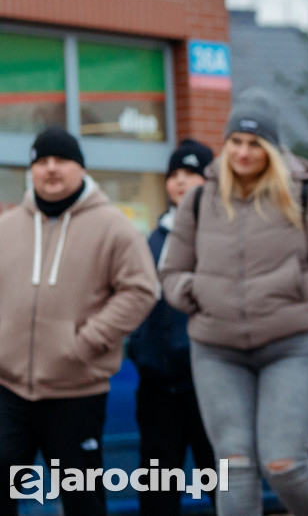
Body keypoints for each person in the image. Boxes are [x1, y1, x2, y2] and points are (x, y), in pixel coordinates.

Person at [159, 88, 308, 516]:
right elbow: (170, 272)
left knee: (284, 463)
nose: (243, 152)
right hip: (217, 350)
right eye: (236, 141)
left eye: (254, 143)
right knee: (233, 466)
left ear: (272, 149)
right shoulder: (200, 199)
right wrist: (196, 292)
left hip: (294, 345)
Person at [0, 127, 159, 516]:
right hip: (9, 389)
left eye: (60, 161)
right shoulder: (7, 227)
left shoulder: (112, 226)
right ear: (31, 170)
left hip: (76, 391)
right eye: (41, 162)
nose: (50, 169)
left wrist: (86, 342)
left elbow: (141, 290)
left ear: (81, 168)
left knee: (83, 501)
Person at [126, 138, 216, 515]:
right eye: (174, 174)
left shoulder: (221, 234)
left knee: (222, 482)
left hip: (210, 383)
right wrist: (141, 351)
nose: (180, 182)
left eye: (191, 173)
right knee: (158, 490)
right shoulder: (154, 238)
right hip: (158, 388)